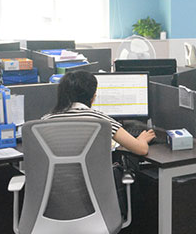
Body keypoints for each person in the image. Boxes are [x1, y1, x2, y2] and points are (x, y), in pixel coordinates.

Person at [42, 70, 154, 214]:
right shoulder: (101, 120)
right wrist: (142, 139)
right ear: (93, 97)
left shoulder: (44, 121)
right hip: (96, 205)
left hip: (54, 206)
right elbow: (141, 150)